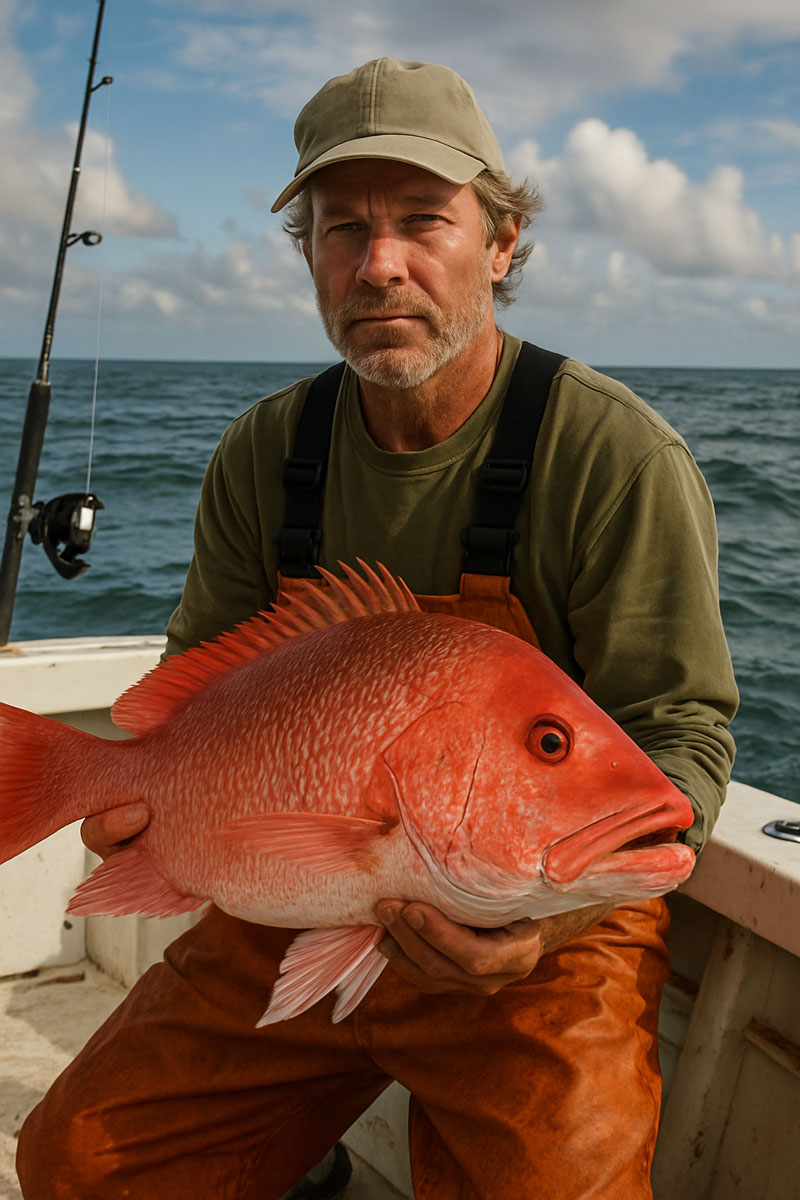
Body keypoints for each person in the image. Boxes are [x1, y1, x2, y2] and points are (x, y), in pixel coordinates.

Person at [16, 58, 737, 1200]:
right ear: (307, 256)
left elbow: (680, 733)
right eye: (340, 227)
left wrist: (541, 930)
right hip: (298, 895)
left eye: (422, 221)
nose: (378, 262)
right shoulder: (266, 449)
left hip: (544, 929)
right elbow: (185, 700)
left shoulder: (614, 456)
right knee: (77, 1166)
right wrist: (142, 811)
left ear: (500, 243)